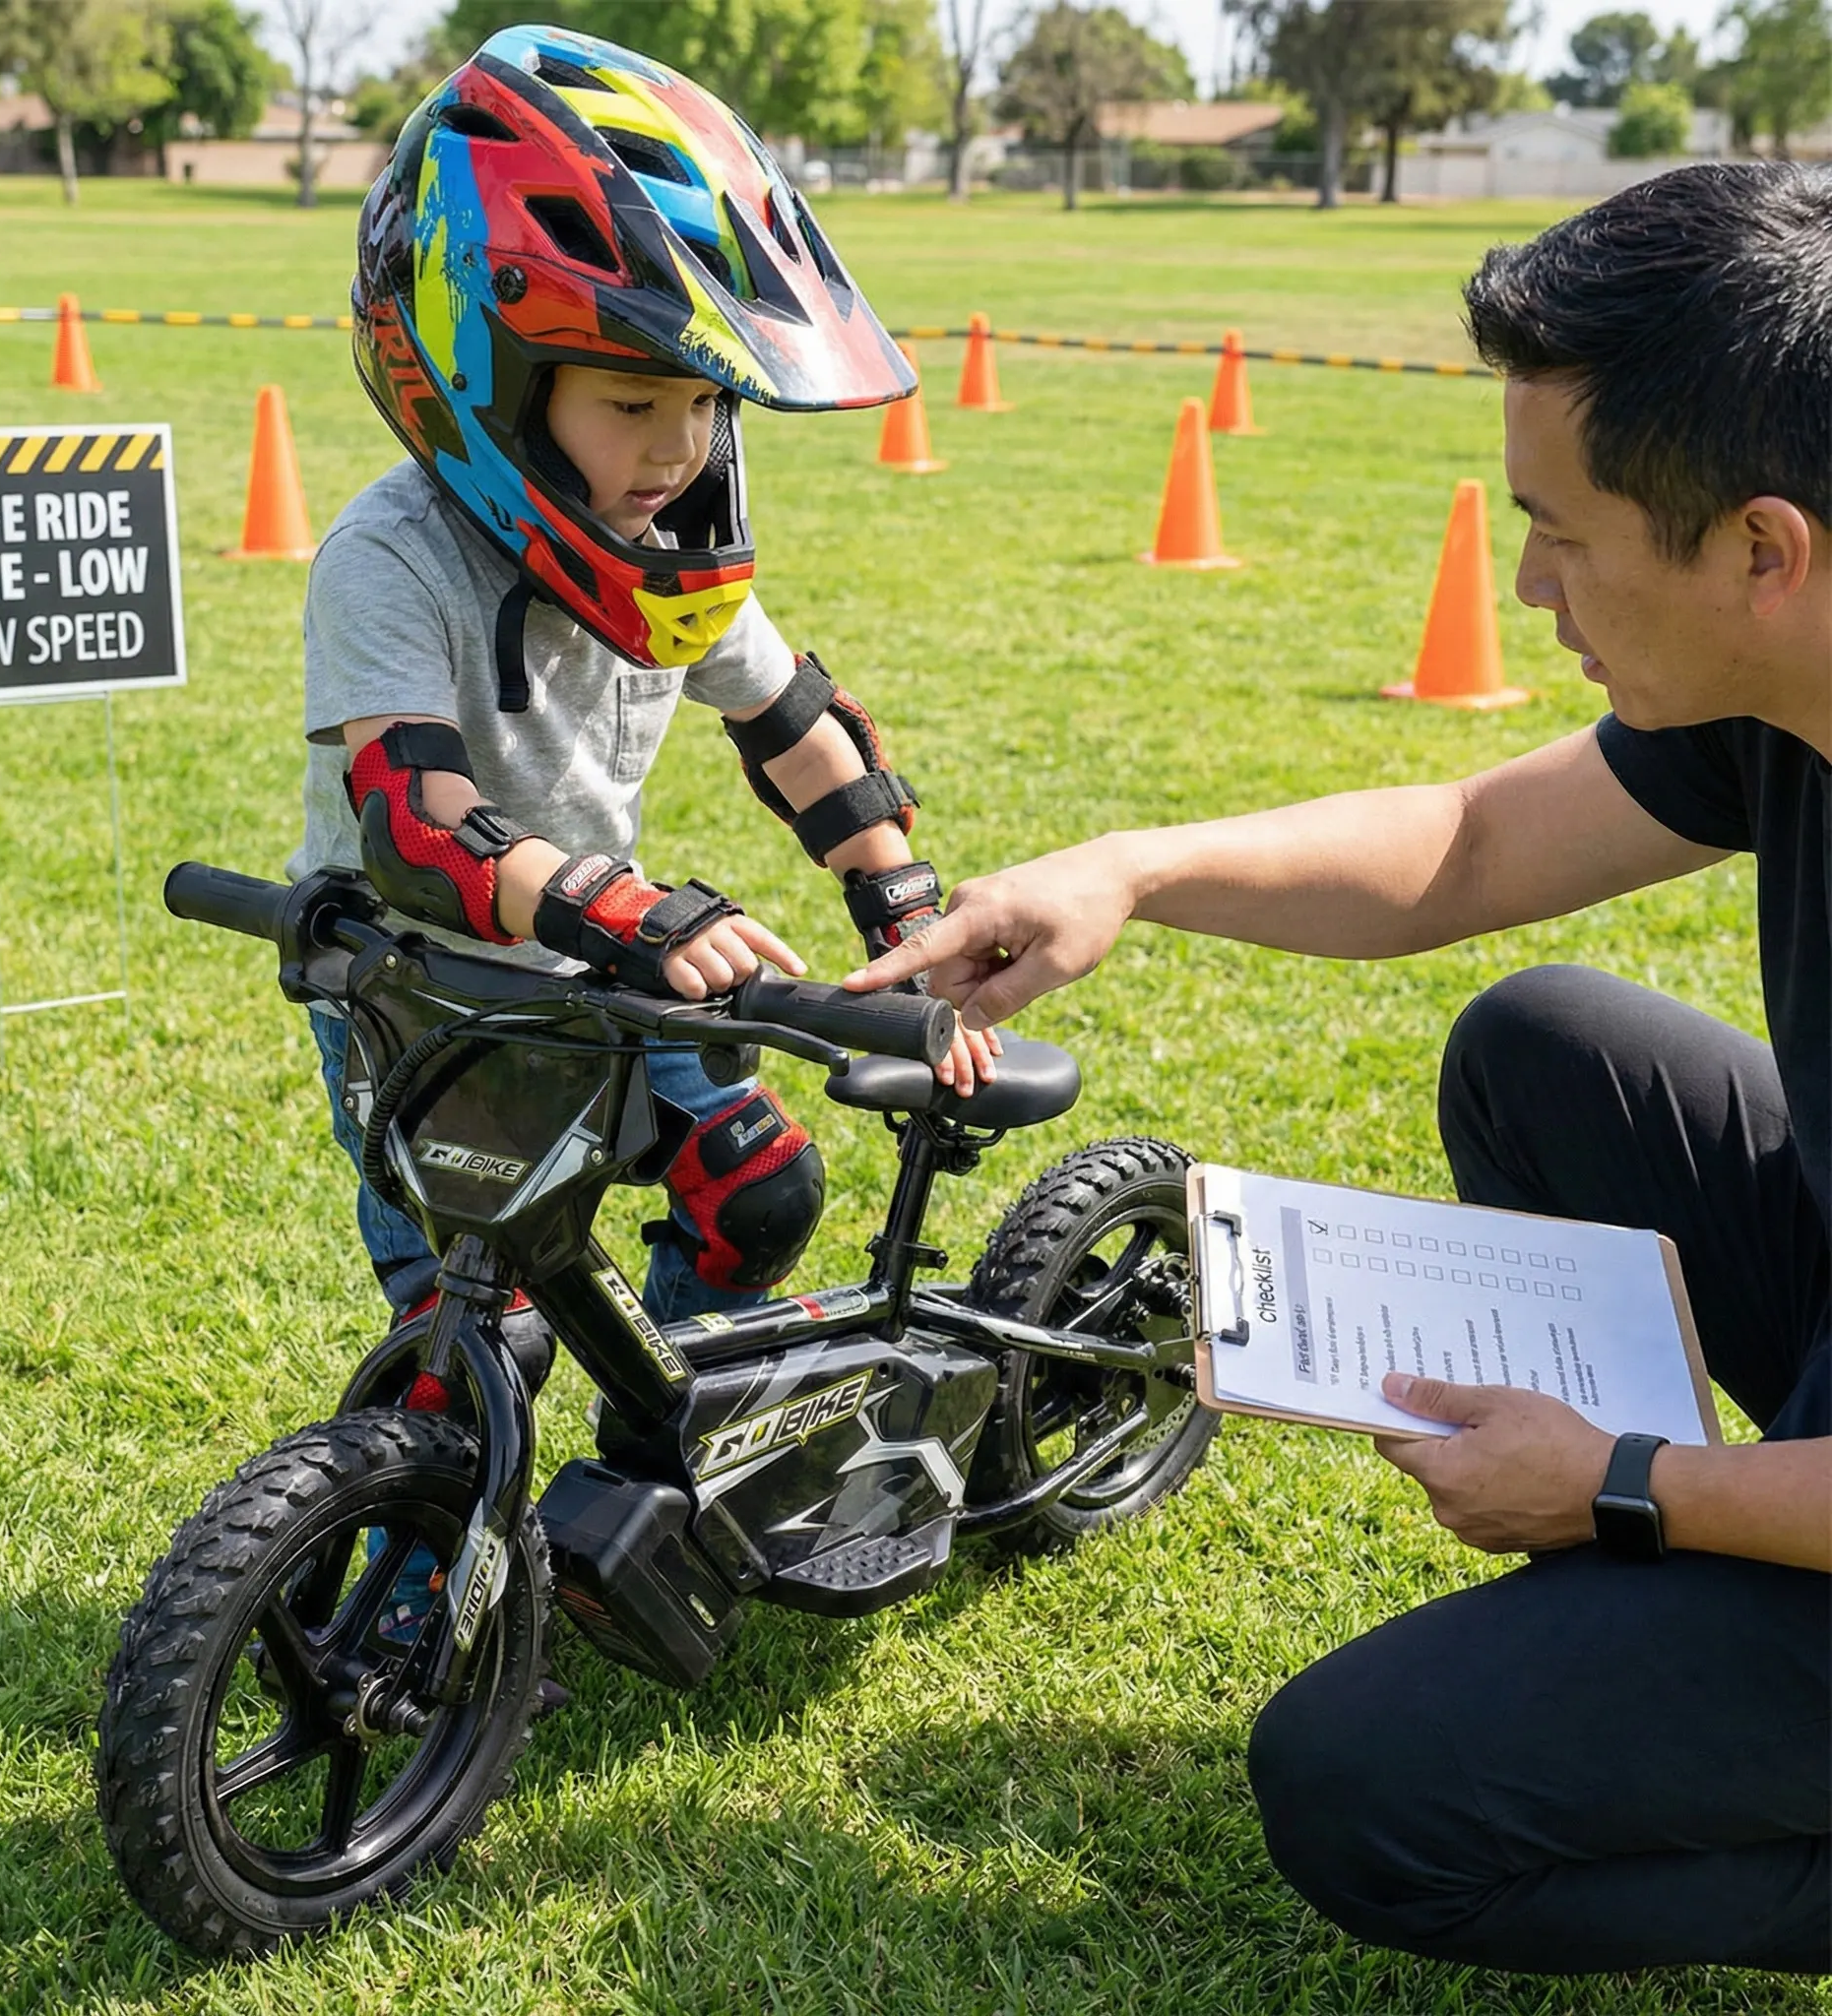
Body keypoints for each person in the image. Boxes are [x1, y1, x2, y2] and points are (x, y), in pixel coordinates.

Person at [847, 161, 1830, 1976]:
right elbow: (1469, 843)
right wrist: (1131, 870)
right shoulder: (1783, 685)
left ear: (1762, 552)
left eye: (1564, 533)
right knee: (1548, 1051)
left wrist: (1627, 1483)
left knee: (1360, 1789)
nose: (1527, 582)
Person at [289, 27, 993, 1632]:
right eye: (631, 400)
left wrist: (901, 902)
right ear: (484, 373)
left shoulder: (661, 536)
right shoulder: (393, 560)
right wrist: (631, 909)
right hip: (427, 990)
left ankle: (654, 1477)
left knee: (756, 1192)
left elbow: (797, 723)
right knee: (476, 1330)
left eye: (703, 400)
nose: (678, 449)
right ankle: (409, 1617)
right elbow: (417, 821)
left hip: (605, 960)